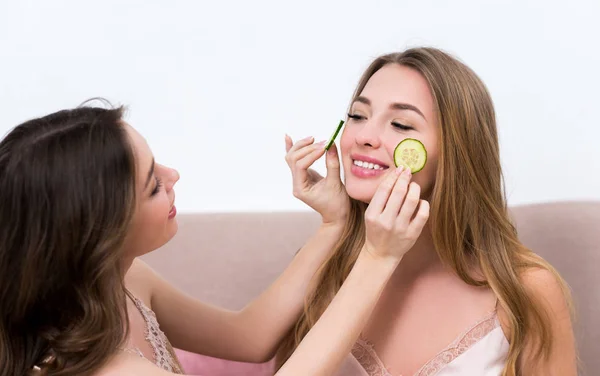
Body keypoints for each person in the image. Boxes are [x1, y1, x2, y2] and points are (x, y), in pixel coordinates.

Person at [0, 102, 429, 375]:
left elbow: (249, 337)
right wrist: (377, 258)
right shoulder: (110, 370)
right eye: (153, 185)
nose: (174, 177)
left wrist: (333, 224)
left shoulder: (125, 281)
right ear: (100, 233)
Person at [276, 47, 577, 375]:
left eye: (401, 124)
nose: (363, 136)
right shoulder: (321, 268)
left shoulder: (525, 289)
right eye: (358, 116)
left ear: (456, 152)